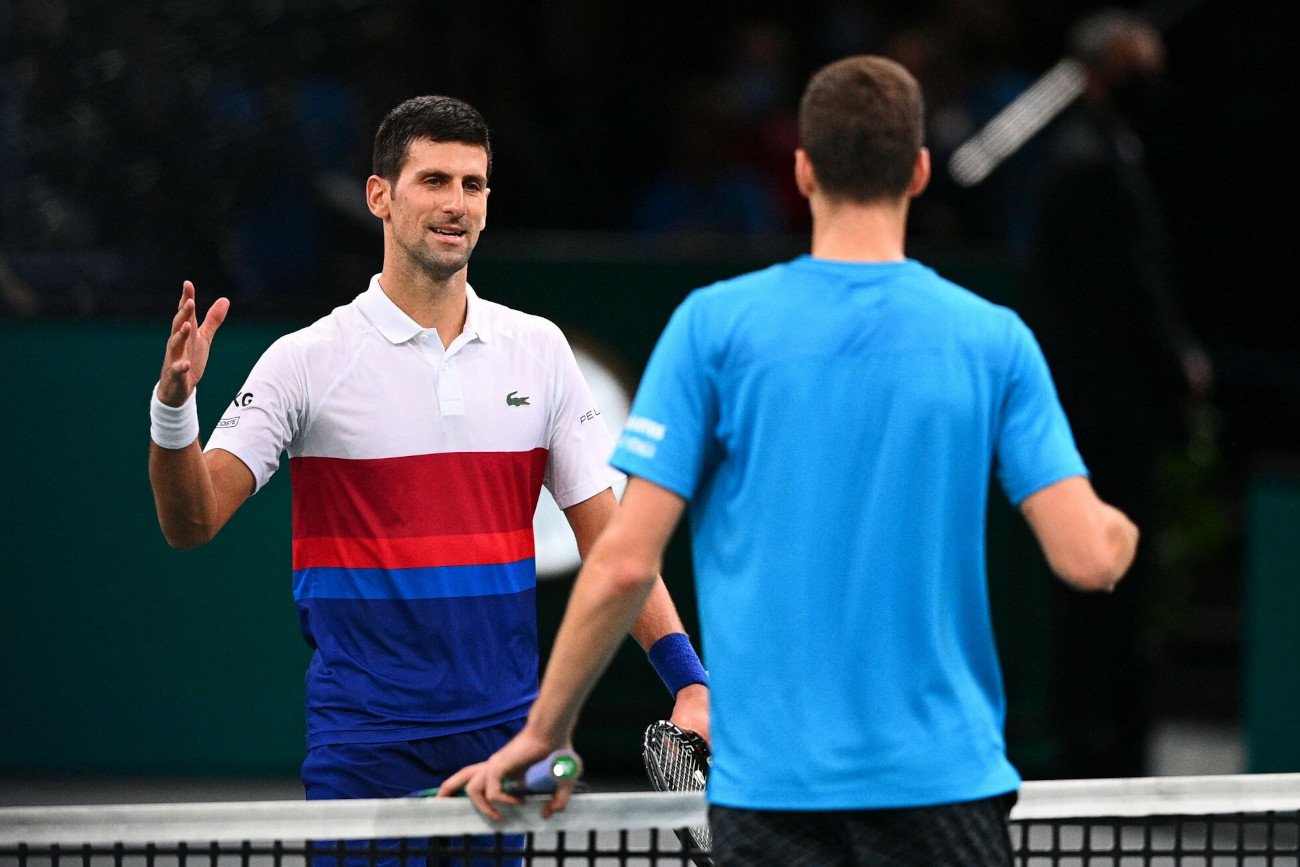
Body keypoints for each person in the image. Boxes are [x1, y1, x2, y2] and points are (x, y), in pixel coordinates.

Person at [441, 56, 1138, 866]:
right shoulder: (994, 339)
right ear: (917, 171)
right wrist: (1118, 529)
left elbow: (624, 563)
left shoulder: (714, 327)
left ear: (804, 172)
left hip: (770, 803)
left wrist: (544, 730)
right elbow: (1088, 556)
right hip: (943, 792)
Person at [147, 95, 709, 810]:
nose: (457, 204)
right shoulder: (305, 360)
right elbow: (189, 521)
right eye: (435, 181)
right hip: (363, 751)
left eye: (473, 185)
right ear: (380, 196)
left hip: (509, 748)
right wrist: (174, 408)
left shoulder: (539, 351)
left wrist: (688, 681)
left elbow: (614, 546)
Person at [1026, 9, 1212, 779]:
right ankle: (1093, 750)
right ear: (1100, 76)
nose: (1153, 86)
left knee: (1115, 585)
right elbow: (1127, 292)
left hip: (1111, 411)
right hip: (1098, 416)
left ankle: (1110, 744)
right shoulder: (1086, 164)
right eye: (1139, 69)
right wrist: (1180, 367)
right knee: (1095, 582)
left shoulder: (1109, 155)